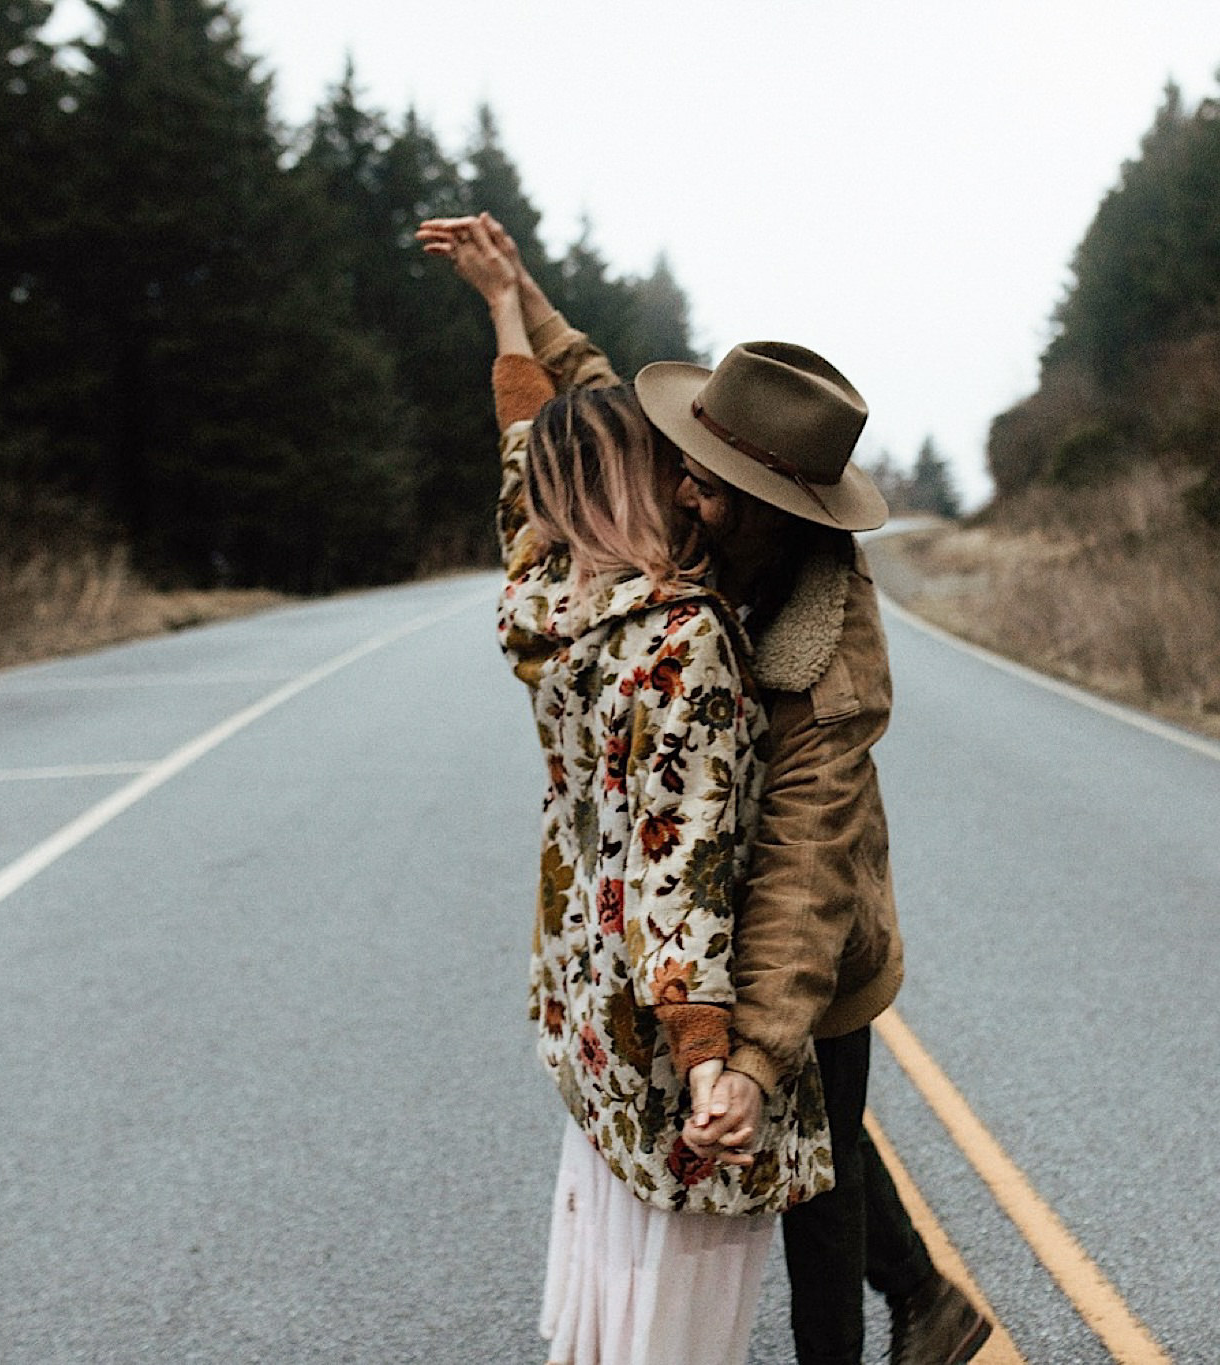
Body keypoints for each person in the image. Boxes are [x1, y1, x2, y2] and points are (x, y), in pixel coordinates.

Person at [426, 214, 993, 1365]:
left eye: (715, 489)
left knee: (810, 1185)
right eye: (683, 464)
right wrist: (516, 296)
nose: (684, 494)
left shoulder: (823, 659)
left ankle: (904, 1319)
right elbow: (577, 417)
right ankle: (931, 1297)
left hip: (809, 937)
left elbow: (800, 866)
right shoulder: (678, 497)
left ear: (782, 511)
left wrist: (745, 1055)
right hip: (690, 912)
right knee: (809, 1137)